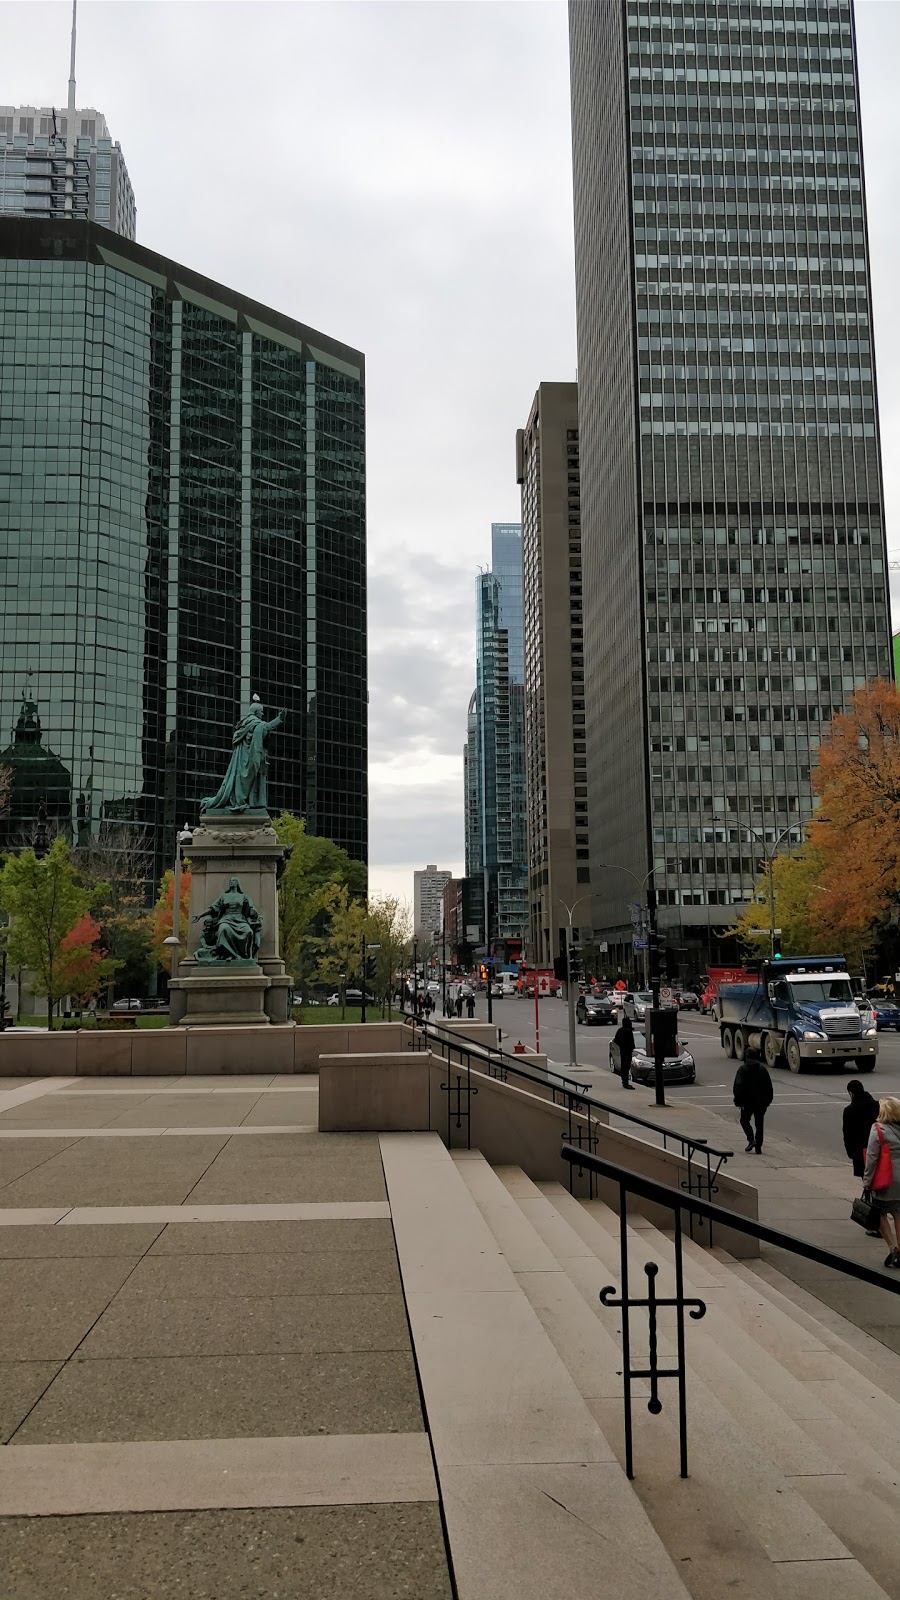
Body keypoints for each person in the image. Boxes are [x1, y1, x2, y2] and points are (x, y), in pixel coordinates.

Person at [863, 1097, 900, 1268]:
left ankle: (893, 1249)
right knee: (899, 1213)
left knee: (880, 1212)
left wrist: (867, 1182)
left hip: (887, 1180)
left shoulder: (878, 1129)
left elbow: (872, 1159)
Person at [732, 1057, 773, 1153]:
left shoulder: (742, 1069)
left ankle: (751, 1139)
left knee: (744, 1120)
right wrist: (768, 1101)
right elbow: (769, 1086)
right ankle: (758, 1146)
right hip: (761, 1102)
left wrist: (738, 1100)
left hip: (747, 1102)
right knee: (759, 1124)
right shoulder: (763, 1070)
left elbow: (738, 1086)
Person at [612, 1014, 635, 1089]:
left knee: (623, 1066)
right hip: (628, 1051)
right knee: (627, 1066)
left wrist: (621, 1045)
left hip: (622, 1051)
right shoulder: (628, 1031)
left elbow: (615, 1040)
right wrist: (631, 1048)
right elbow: (631, 1042)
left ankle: (624, 1081)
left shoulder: (620, 1030)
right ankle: (626, 1083)